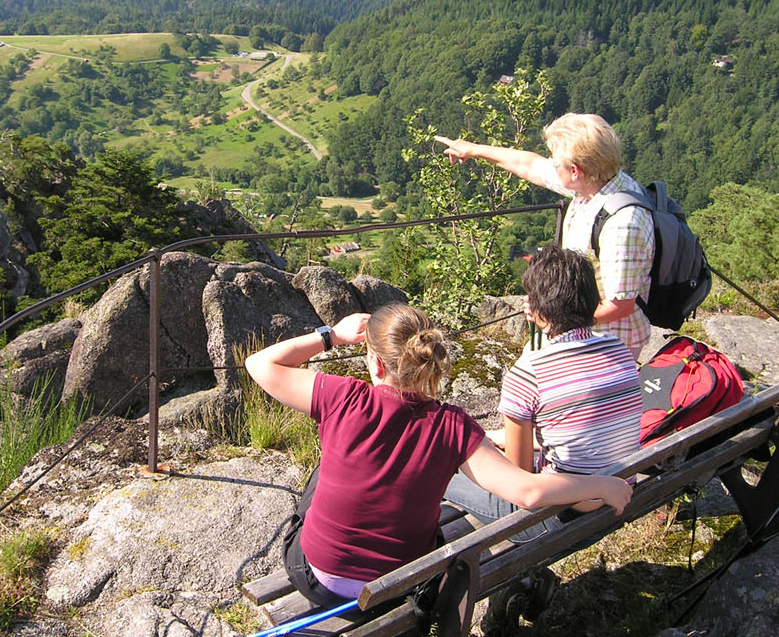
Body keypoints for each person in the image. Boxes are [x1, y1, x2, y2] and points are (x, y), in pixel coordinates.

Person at [245, 303, 631, 606]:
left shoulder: (342, 397)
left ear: (375, 362)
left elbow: (258, 363)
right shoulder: (452, 426)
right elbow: (527, 492)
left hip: (320, 583)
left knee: (321, 475)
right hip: (406, 585)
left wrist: (333, 335)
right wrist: (602, 485)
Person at [443, 246, 642, 529]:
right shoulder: (619, 349)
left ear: (536, 309)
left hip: (558, 519)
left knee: (445, 465)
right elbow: (579, 429)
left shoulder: (529, 373)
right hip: (619, 496)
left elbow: (518, 478)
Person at [434, 113, 654, 360]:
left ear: (575, 170)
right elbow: (529, 165)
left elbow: (620, 305)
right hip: (577, 329)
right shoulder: (594, 184)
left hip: (608, 344)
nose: (551, 163)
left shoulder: (623, 224)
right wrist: (472, 149)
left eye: (555, 161)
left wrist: (553, 316)